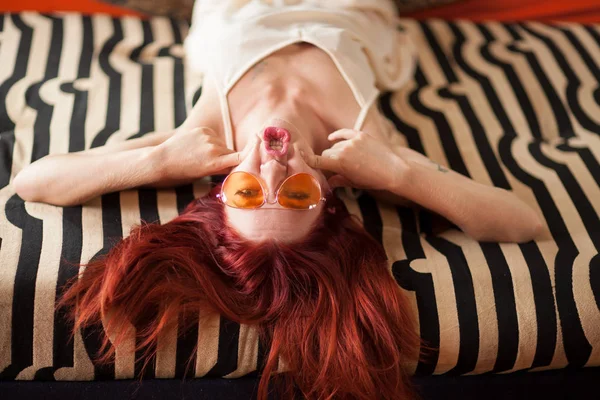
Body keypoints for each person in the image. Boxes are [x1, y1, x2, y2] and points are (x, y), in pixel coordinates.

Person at [13, 0, 546, 399]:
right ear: (330, 198)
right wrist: (400, 172)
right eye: (295, 194)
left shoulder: (206, 138)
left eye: (247, 192)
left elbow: (34, 181)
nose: (272, 165)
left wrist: (159, 161)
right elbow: (522, 221)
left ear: (221, 190)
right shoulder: (370, 150)